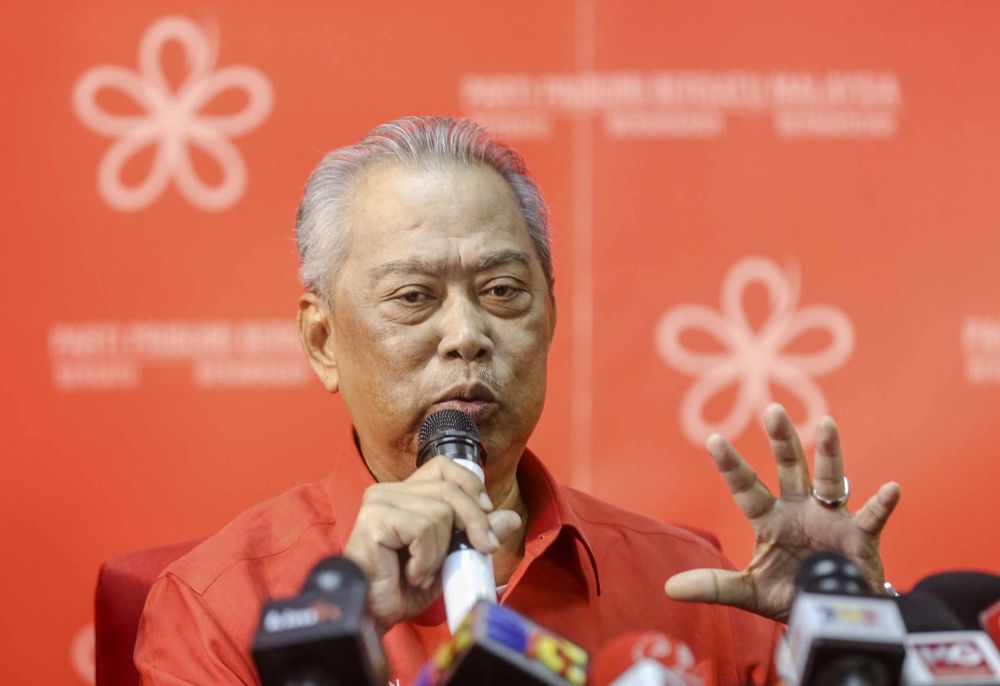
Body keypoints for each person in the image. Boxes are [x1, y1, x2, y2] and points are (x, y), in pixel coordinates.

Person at [134, 116, 901, 685]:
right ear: (323, 340)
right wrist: (349, 638)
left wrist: (847, 628)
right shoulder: (221, 605)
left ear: (549, 318)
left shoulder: (685, 585)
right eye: (414, 297)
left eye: (503, 292)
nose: (466, 334)